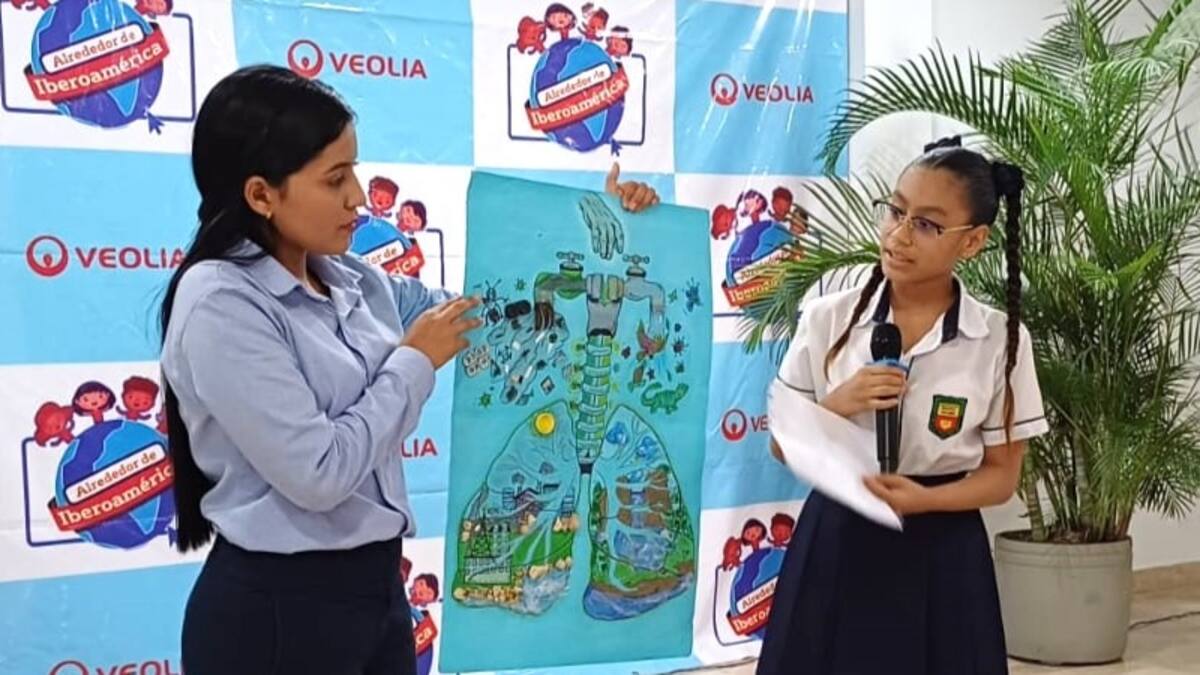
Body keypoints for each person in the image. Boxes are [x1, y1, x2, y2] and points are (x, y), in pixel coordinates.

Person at [160, 64, 659, 675]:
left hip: (374, 592)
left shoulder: (350, 278)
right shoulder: (221, 304)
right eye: (335, 179)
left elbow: (489, 311)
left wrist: (606, 232)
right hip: (279, 613)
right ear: (261, 194)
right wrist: (416, 360)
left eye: (354, 170)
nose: (358, 197)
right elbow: (318, 472)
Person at [757, 136, 1047, 675]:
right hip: (838, 533)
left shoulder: (999, 339)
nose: (898, 235)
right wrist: (838, 403)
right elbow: (780, 445)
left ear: (972, 241)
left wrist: (924, 500)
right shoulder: (826, 318)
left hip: (943, 546)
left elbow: (1001, 478)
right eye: (895, 211)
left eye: (927, 224)